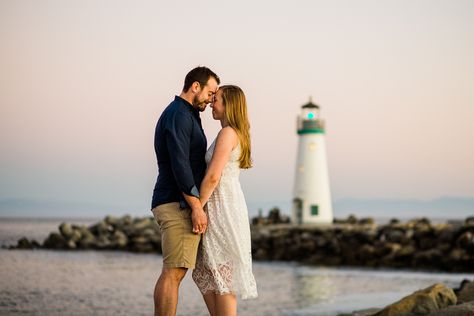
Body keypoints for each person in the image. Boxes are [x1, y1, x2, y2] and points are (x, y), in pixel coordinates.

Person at [151, 66, 220, 316]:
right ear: (195, 87)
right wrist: (196, 207)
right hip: (176, 202)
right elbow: (180, 164)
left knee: (176, 271)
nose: (212, 99)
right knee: (174, 272)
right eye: (210, 92)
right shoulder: (179, 115)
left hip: (176, 200)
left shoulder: (186, 114)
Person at [192, 85, 258, 316]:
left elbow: (212, 177)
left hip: (222, 206)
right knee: (212, 275)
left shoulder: (228, 133)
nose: (211, 103)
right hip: (226, 203)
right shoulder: (234, 133)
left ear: (229, 104)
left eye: (216, 99)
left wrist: (196, 207)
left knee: (222, 278)